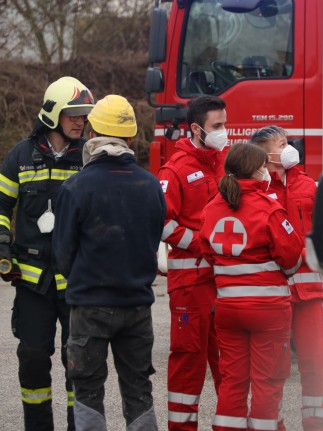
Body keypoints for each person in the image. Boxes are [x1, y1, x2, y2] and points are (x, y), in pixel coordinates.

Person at [0, 76, 94, 430]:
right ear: (52, 115)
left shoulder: (90, 156)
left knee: (77, 361)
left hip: (77, 283)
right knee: (32, 358)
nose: (80, 121)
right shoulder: (21, 155)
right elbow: (0, 203)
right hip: (32, 283)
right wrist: (0, 242)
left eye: (84, 115)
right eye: (72, 114)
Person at [53, 94, 166, 430]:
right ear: (130, 139)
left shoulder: (76, 187)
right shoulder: (150, 185)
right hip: (137, 306)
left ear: (92, 136)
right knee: (139, 391)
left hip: (89, 306)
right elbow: (153, 238)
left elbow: (62, 254)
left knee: (87, 390)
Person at [200, 143, 304, 431]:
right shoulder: (269, 209)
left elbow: (208, 252)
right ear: (256, 171)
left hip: (228, 310)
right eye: (264, 167)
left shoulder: (212, 208)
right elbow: (292, 257)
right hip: (268, 311)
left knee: (232, 381)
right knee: (267, 382)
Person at [251, 125, 323, 430]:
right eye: (281, 144)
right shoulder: (257, 191)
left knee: (314, 363)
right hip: (273, 295)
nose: (288, 148)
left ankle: (316, 425)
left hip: (308, 294)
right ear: (264, 153)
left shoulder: (309, 187)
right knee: (273, 369)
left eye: (287, 142)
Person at [158, 95, 227, 430]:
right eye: (217, 126)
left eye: (225, 124)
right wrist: (201, 242)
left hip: (223, 283)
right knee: (188, 363)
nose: (223, 132)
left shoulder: (222, 163)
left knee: (228, 364)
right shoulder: (175, 170)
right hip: (190, 287)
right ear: (197, 129)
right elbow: (162, 223)